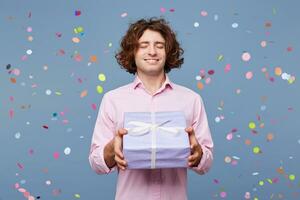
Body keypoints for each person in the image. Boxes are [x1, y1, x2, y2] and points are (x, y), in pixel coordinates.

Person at [89, 17, 214, 200]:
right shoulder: (112, 100)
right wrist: (112, 149)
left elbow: (207, 163)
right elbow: (96, 163)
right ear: (133, 51)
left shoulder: (191, 99)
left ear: (168, 51)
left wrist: (198, 153)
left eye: (160, 45)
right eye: (144, 45)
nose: (152, 51)